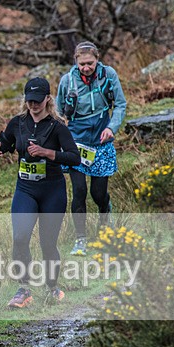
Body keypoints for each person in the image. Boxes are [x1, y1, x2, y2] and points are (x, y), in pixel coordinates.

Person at [0, 77, 81, 309]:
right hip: (26, 189)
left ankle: (52, 287)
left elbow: (74, 157)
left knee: (47, 243)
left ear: (47, 99)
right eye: (29, 100)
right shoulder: (18, 123)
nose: (33, 105)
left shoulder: (58, 127)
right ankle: (24, 289)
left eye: (38, 101)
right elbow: (6, 141)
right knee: (19, 238)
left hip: (52, 190)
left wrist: (47, 152)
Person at [56, 41, 127, 256]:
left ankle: (106, 223)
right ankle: (81, 240)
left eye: (90, 63)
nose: (86, 67)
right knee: (79, 191)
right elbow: (58, 112)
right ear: (75, 61)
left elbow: (121, 104)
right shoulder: (67, 81)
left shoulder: (108, 75)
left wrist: (111, 127)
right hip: (77, 141)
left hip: (101, 139)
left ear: (97, 59)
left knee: (98, 193)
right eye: (82, 64)